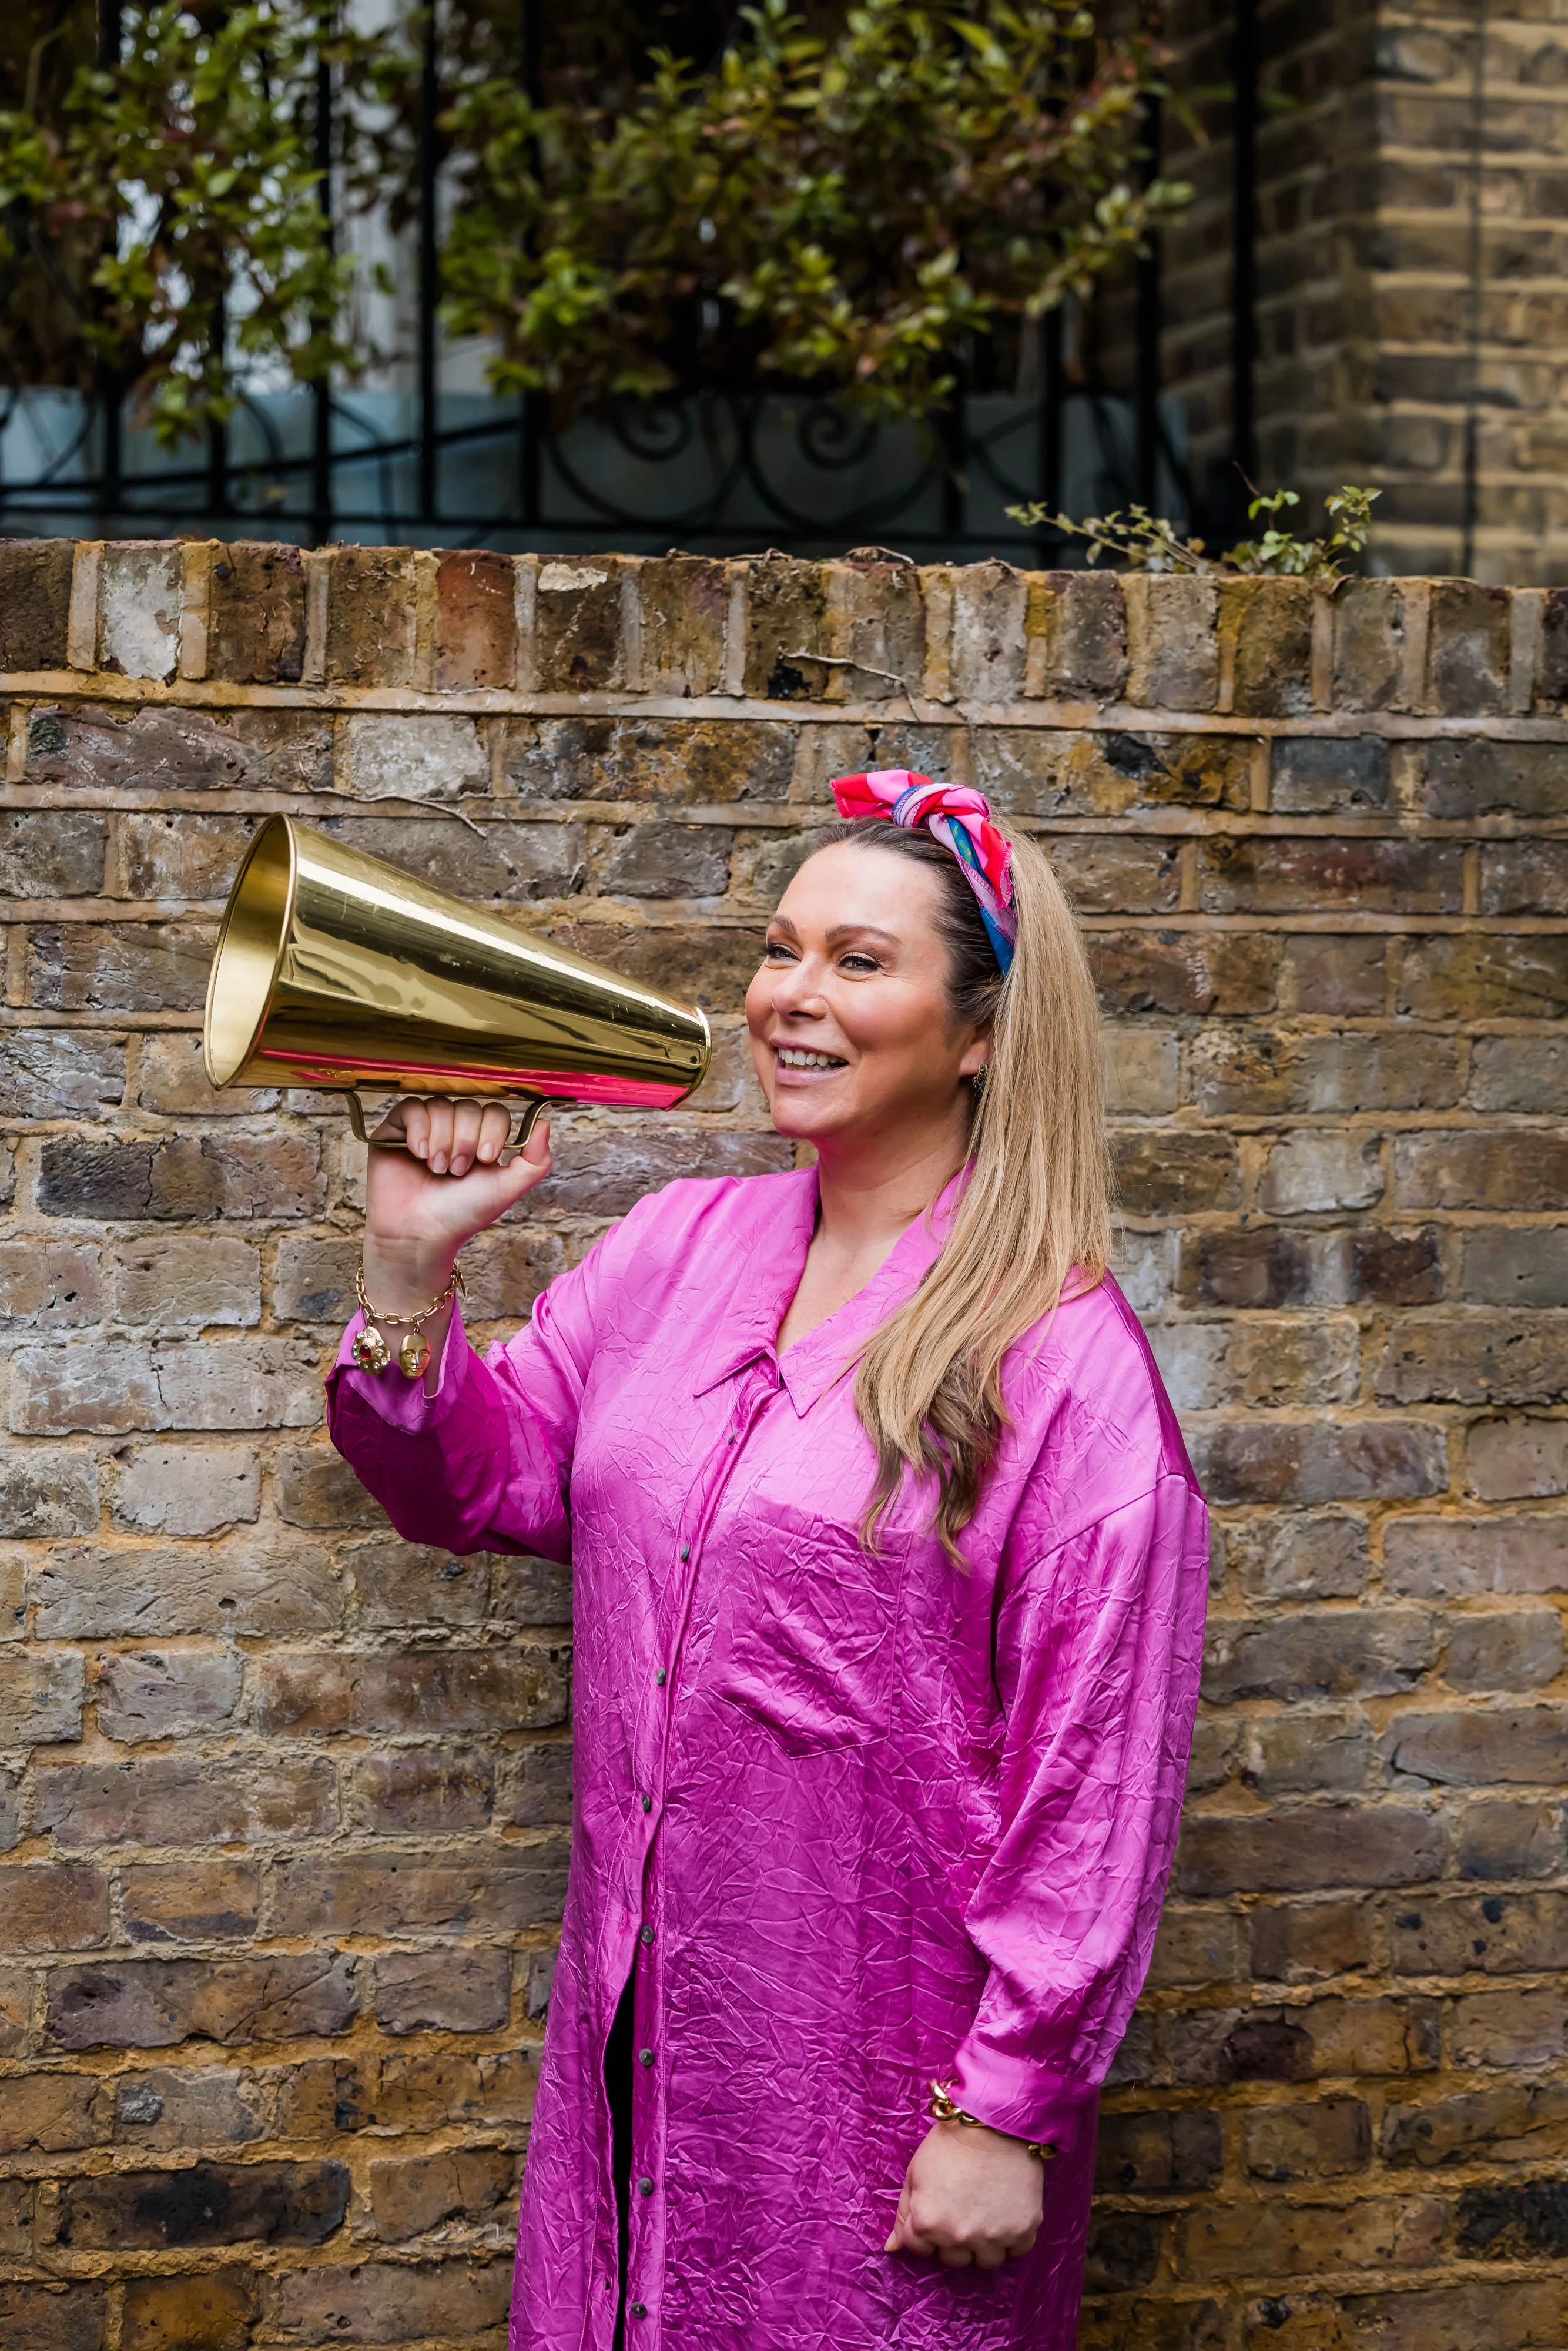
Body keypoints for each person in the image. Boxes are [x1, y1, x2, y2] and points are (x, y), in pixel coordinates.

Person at [326, 768, 1209, 2351]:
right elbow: (483, 1483)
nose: (790, 998)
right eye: (780, 948)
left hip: (886, 2089)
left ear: (982, 1031)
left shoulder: (1060, 1360)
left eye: (859, 963)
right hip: (639, 2044)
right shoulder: (678, 1244)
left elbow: (1095, 1779)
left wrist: (1006, 2111)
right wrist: (411, 1261)